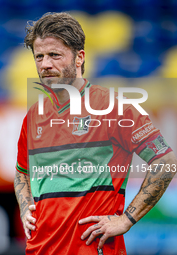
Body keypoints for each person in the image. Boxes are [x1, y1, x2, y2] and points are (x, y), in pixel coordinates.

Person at [14, 12, 177, 255]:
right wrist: (25, 205)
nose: (45, 64)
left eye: (54, 55)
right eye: (39, 56)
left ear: (79, 58)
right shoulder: (34, 115)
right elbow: (22, 172)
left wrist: (126, 219)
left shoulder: (114, 107)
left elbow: (166, 161)